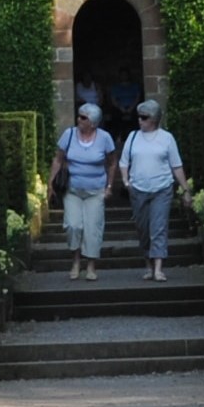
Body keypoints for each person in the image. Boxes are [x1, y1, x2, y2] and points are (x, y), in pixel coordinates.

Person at [119, 100, 187, 281]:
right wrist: (126, 182)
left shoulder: (167, 138)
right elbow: (124, 162)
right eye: (139, 117)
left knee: (158, 227)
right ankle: (148, 265)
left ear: (154, 119)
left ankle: (158, 268)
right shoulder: (133, 137)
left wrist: (185, 188)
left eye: (144, 117)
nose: (140, 121)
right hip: (138, 189)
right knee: (142, 229)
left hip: (162, 188)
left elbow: (176, 165)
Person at [49, 103, 119, 280]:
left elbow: (112, 163)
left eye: (83, 117)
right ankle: (75, 262)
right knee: (73, 226)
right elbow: (58, 160)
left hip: (96, 190)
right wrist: (50, 184)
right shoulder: (69, 134)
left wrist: (109, 186)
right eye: (79, 116)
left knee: (92, 229)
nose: (78, 119)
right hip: (72, 189)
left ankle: (91, 266)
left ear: (93, 123)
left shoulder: (104, 138)